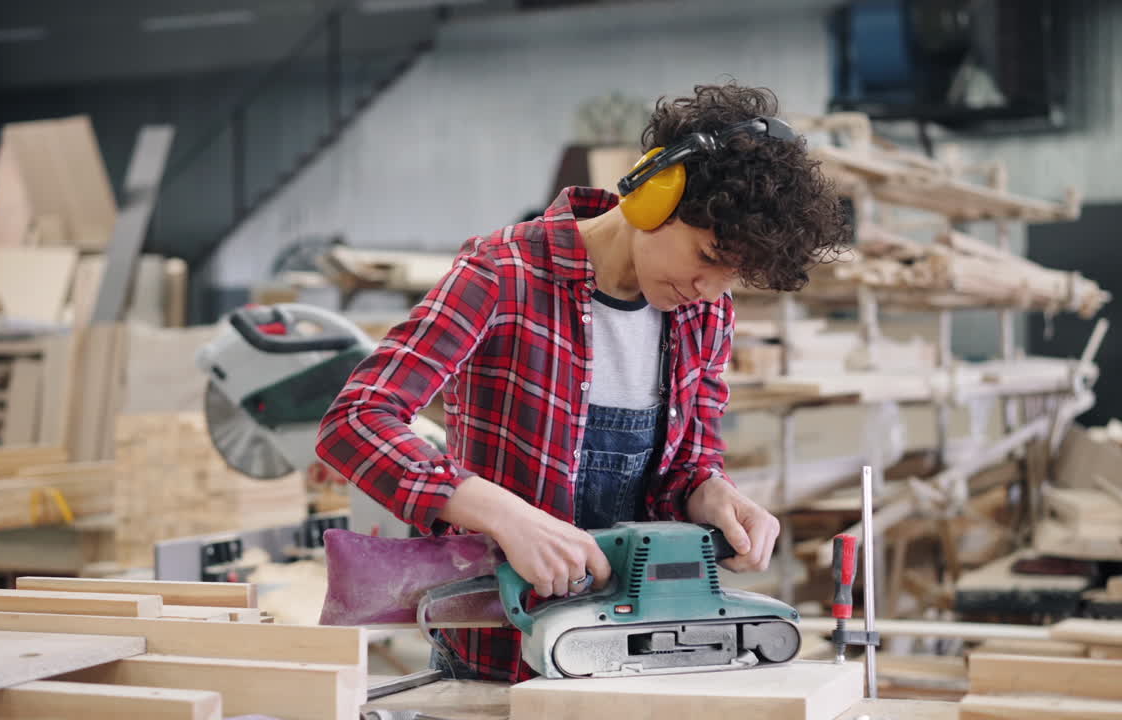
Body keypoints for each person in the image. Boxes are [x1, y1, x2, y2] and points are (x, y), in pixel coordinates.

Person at [316, 81, 849, 682]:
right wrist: (505, 515)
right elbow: (356, 420)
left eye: (733, 278)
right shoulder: (502, 276)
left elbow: (687, 465)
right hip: (503, 652)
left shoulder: (705, 313)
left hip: (637, 648)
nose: (710, 290)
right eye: (706, 257)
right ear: (654, 198)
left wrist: (713, 494)